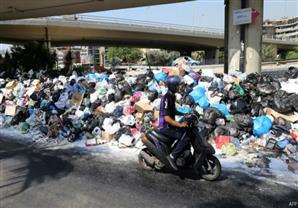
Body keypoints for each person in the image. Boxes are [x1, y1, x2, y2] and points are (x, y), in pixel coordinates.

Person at [158, 75, 191, 171]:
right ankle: (172, 156)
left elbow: (173, 111)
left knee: (187, 131)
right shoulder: (166, 98)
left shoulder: (172, 96)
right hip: (165, 126)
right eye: (177, 86)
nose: (179, 87)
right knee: (185, 137)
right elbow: (167, 118)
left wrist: (184, 114)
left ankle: (184, 156)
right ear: (172, 86)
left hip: (170, 125)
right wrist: (180, 124)